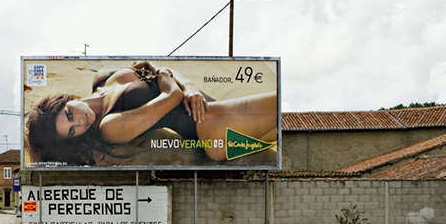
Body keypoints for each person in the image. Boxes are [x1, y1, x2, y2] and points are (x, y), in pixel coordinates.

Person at [25, 61, 277, 166]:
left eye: (70, 115)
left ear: (67, 100)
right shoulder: (110, 126)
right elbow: (172, 95)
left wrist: (186, 84)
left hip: (217, 112)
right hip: (212, 128)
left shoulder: (99, 79)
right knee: (283, 107)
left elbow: (151, 66)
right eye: (73, 130)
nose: (80, 121)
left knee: (283, 128)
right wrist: (169, 78)